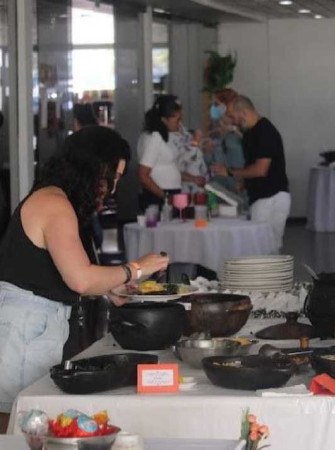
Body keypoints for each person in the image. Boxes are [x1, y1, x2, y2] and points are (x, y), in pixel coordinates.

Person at [0, 126, 169, 433]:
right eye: (112, 177)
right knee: (16, 426)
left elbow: (65, 273)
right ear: (92, 167)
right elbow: (81, 279)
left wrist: (109, 287)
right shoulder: (54, 203)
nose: (112, 188)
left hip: (32, 325)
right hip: (25, 327)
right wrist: (136, 268)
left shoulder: (54, 199)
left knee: (24, 423)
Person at [213, 96, 290, 249]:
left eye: (233, 117)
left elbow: (261, 170)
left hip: (271, 197)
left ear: (243, 112)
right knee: (263, 247)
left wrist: (229, 172)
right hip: (261, 196)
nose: (233, 122)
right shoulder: (250, 133)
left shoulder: (265, 131)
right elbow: (252, 166)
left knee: (264, 247)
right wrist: (244, 182)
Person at [137, 95, 205, 211]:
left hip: (172, 191)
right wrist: (166, 197)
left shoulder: (165, 136)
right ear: (164, 120)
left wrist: (192, 179)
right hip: (159, 195)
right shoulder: (154, 138)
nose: (180, 124)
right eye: (177, 120)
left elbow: (170, 167)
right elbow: (143, 175)